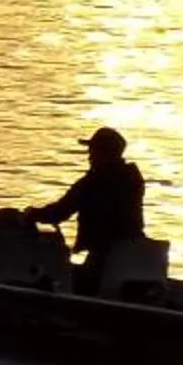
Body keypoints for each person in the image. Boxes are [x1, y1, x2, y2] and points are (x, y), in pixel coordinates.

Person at [30, 126, 146, 294]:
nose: (89, 157)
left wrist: (32, 214)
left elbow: (60, 211)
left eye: (93, 151)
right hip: (131, 254)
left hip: (104, 258)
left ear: (105, 154)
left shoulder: (94, 182)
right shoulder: (133, 178)